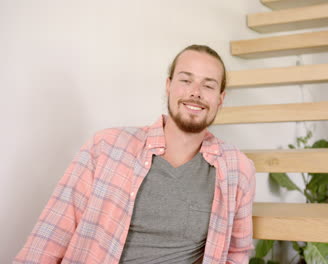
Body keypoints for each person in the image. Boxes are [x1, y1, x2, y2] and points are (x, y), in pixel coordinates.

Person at [14, 45, 256, 264]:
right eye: (186, 80)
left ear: (221, 98)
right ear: (168, 85)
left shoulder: (237, 169)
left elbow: (236, 254)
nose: (196, 92)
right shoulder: (107, 146)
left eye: (209, 85)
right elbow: (51, 233)